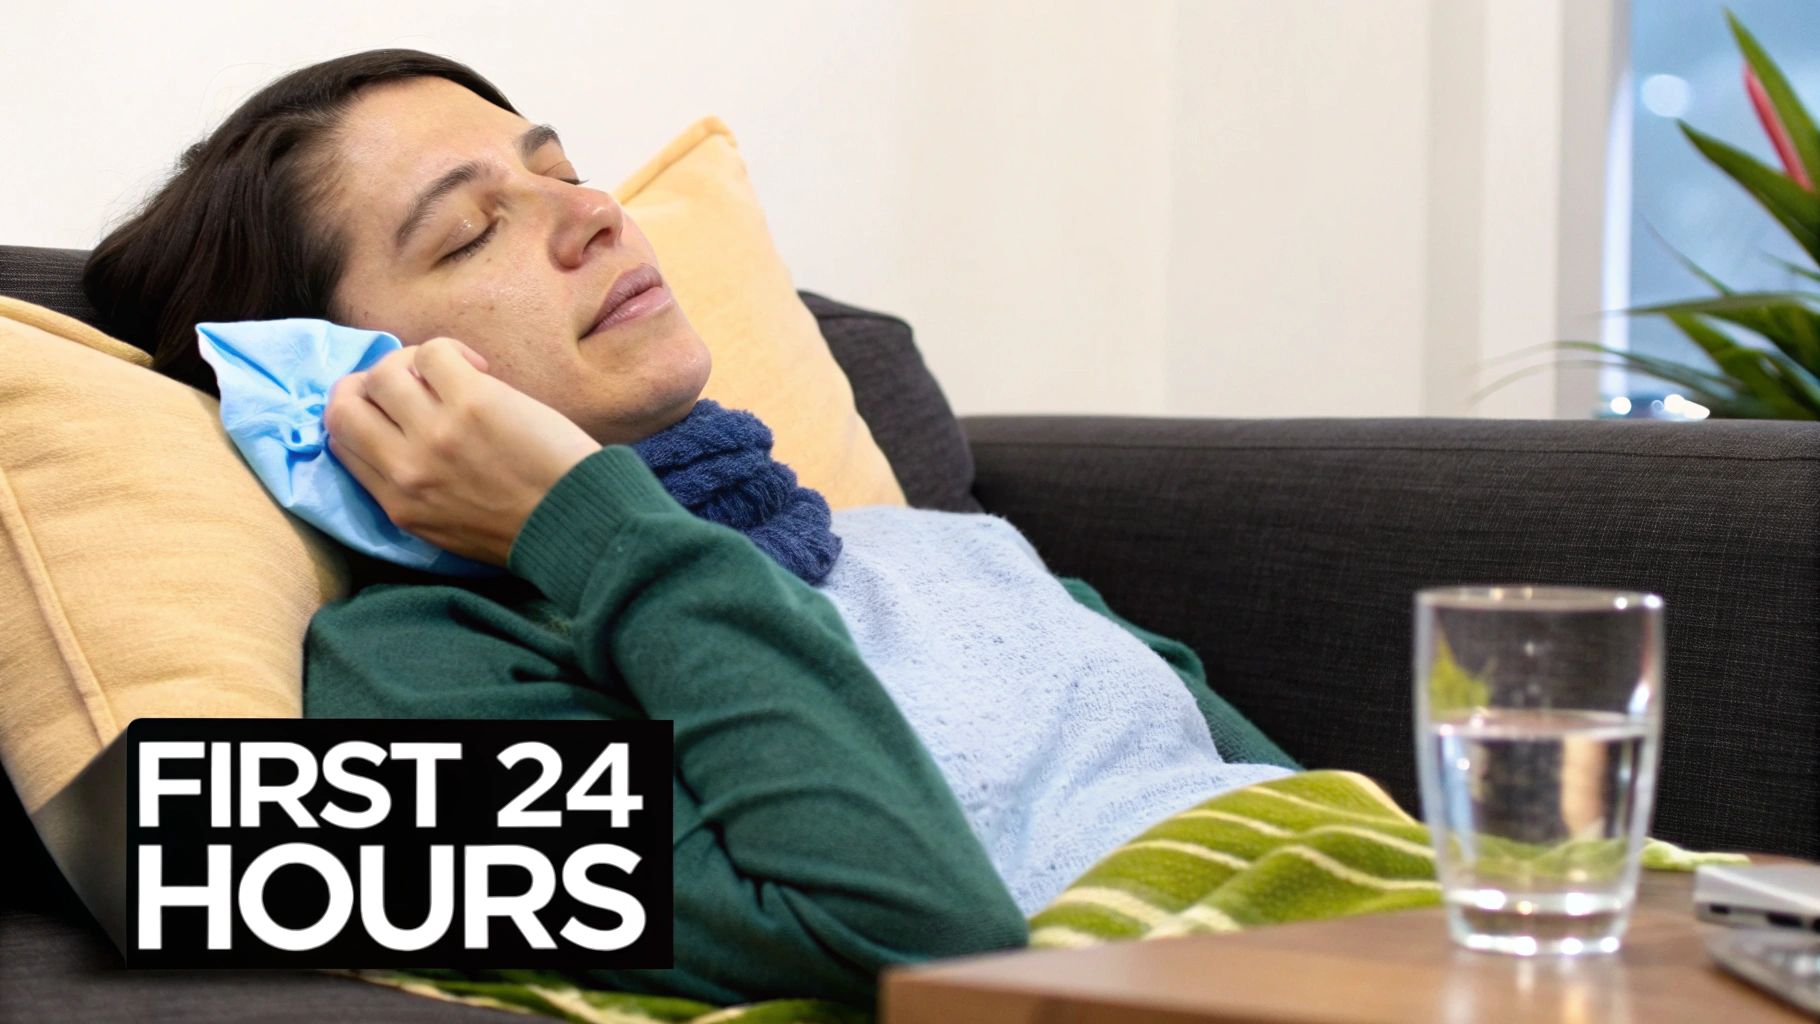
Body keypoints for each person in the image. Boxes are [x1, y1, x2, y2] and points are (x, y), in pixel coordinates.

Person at [81, 49, 1300, 1010]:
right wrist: (587, 524)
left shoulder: (941, 547)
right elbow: (917, 935)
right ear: (352, 383)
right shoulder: (429, 672)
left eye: (559, 169)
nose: (594, 214)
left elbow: (1303, 816)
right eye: (471, 229)